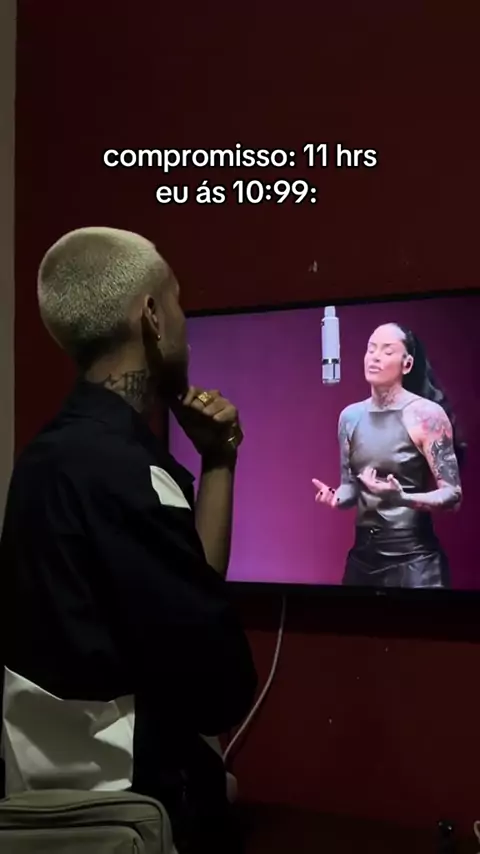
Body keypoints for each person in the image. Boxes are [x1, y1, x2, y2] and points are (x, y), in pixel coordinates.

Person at [0, 227, 257, 853]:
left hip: (58, 808)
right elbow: (218, 685)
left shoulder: (47, 458)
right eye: (178, 302)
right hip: (136, 813)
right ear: (151, 316)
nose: (184, 323)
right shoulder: (122, 472)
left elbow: (190, 591)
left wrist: (218, 462)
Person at [312, 322, 464, 588]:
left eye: (387, 351)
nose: (375, 357)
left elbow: (453, 495)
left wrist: (403, 498)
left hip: (414, 558)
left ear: (407, 364)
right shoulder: (350, 417)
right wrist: (336, 497)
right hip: (363, 555)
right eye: (371, 349)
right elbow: (350, 487)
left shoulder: (427, 415)